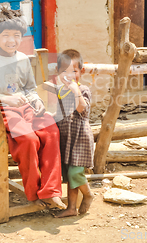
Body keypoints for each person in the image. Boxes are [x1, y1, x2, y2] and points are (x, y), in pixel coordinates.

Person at [0, 7, 65, 209]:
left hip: (28, 109)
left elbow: (29, 88)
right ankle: (33, 192)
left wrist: (36, 100)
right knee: (29, 140)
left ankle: (50, 191)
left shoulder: (22, 59)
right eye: (6, 35)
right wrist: (5, 99)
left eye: (16, 35)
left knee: (51, 132)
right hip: (4, 111)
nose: (11, 40)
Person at [54, 49, 95, 217]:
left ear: (81, 71)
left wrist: (75, 90)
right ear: (58, 72)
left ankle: (88, 194)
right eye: (64, 71)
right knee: (69, 174)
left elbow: (81, 108)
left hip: (80, 138)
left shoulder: (83, 90)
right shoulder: (58, 91)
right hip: (66, 137)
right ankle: (71, 208)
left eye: (74, 71)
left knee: (75, 173)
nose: (69, 76)